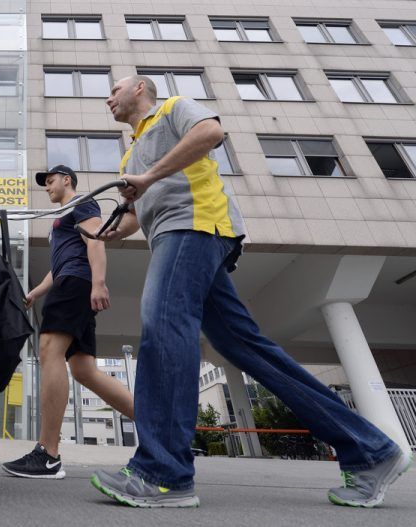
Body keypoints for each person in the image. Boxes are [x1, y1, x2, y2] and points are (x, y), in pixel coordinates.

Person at [87, 75, 411, 508]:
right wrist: (113, 230)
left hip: (198, 227)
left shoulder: (174, 108)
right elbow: (137, 214)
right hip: (175, 235)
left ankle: (162, 473)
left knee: (164, 322)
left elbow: (211, 133)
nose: (108, 98)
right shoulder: (131, 150)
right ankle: (372, 451)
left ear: (141, 89)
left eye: (114, 90)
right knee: (246, 347)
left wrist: (146, 177)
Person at [2, 165, 135, 479]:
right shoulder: (60, 220)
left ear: (67, 180)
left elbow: (95, 240)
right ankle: (160, 429)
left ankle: (47, 454)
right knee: (84, 370)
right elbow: (57, 265)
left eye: (50, 181)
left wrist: (99, 282)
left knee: (49, 350)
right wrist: (33, 294)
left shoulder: (83, 202)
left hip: (76, 282)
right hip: (69, 278)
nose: (47, 187)